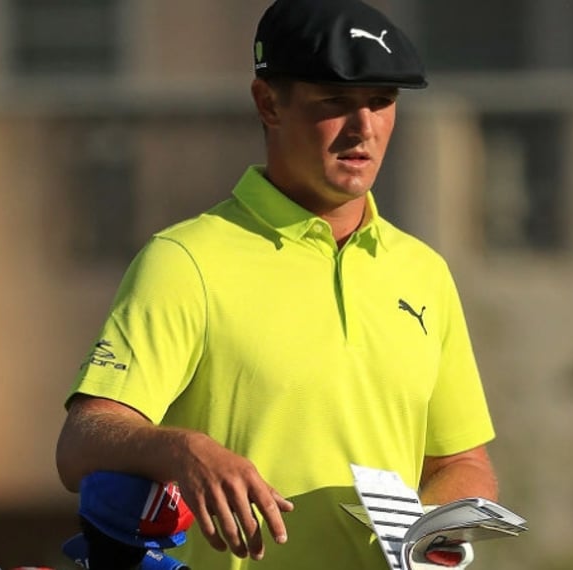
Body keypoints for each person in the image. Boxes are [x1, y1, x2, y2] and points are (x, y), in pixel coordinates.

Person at [56, 0, 498, 568]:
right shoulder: (185, 259)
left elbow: (461, 464)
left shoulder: (424, 272)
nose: (363, 127)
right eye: (335, 101)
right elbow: (81, 443)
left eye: (381, 102)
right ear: (268, 102)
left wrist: (434, 530)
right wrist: (183, 450)